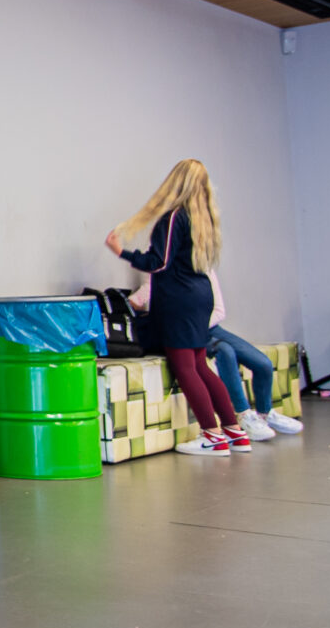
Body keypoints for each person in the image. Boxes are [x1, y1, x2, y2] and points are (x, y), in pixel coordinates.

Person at [104, 159, 248, 456]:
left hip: (179, 300)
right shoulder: (204, 219)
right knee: (200, 366)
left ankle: (212, 436)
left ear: (175, 182)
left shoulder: (174, 218)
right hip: (199, 296)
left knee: (185, 368)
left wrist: (121, 252)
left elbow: (158, 262)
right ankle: (234, 431)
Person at [129, 268, 304, 440]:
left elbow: (218, 310)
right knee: (225, 351)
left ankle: (265, 414)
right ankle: (243, 415)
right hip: (186, 329)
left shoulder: (204, 267)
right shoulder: (160, 265)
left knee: (263, 363)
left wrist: (197, 324)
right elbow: (150, 294)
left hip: (206, 326)